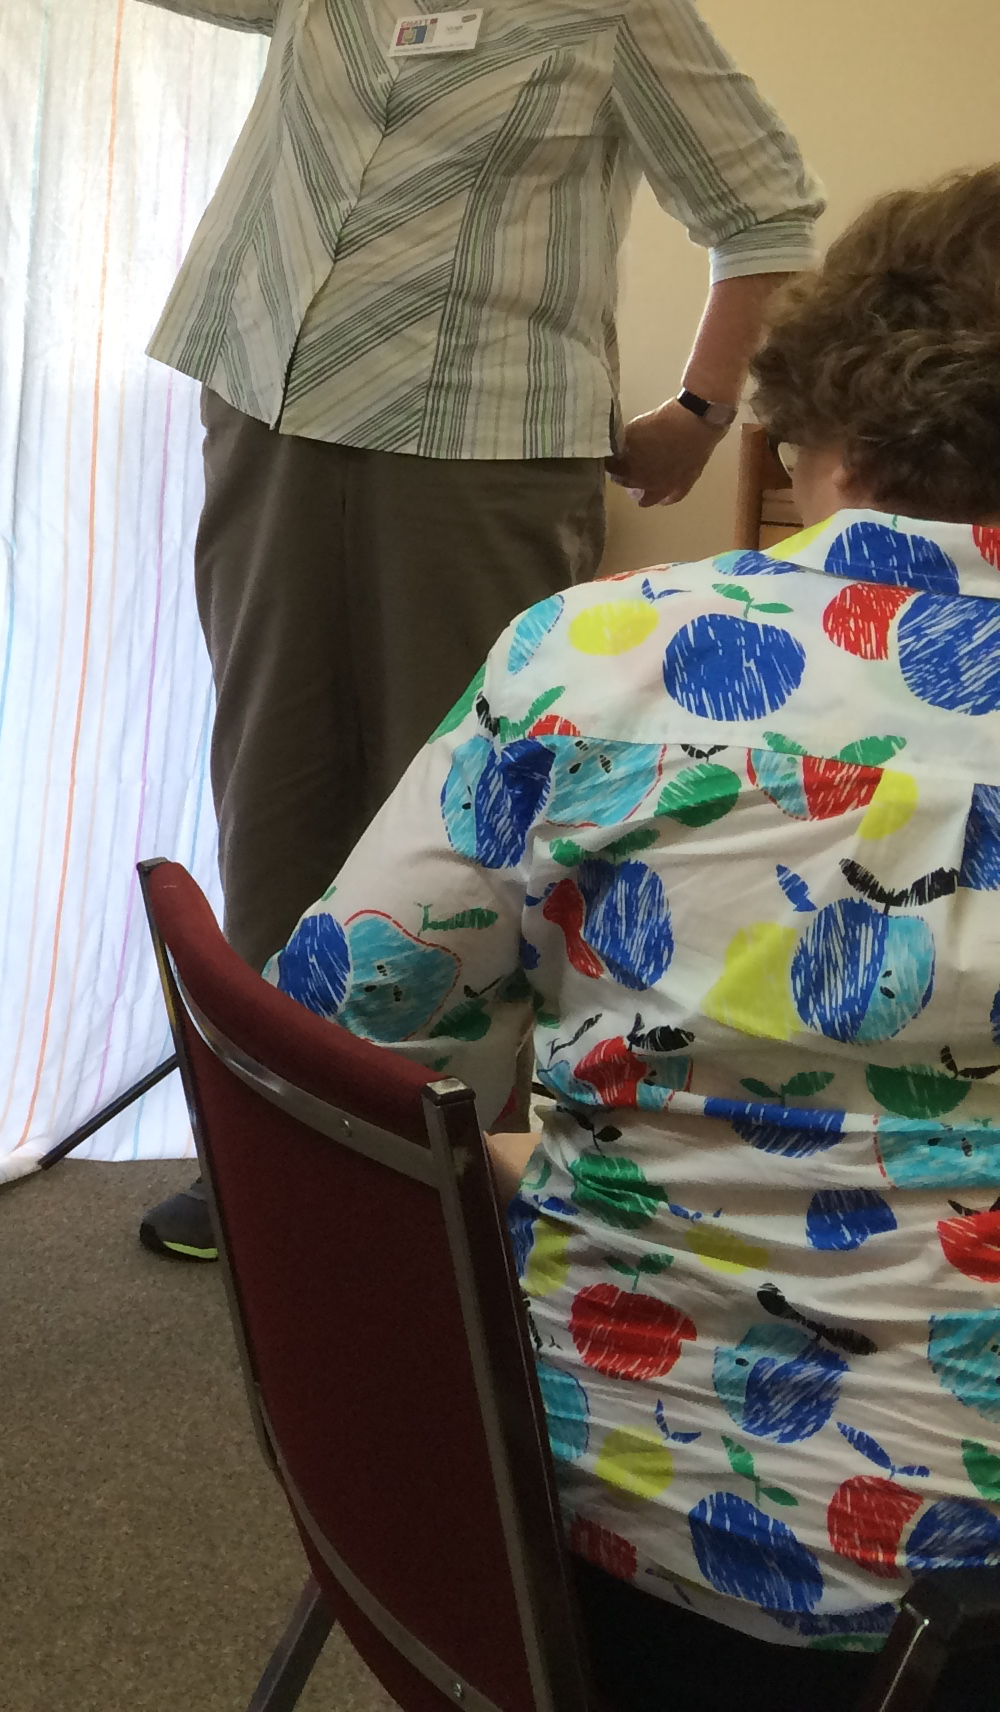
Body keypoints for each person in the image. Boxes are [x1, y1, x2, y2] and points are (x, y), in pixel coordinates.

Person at [0, 0, 826, 1261]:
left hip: (480, 462)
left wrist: (699, 416)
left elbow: (763, 215)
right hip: (273, 426)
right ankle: (281, 1160)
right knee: (275, 791)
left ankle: (445, 1177)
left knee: (464, 807)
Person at [268, 164, 1000, 1705]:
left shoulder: (600, 655)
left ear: (817, 427)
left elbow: (333, 1054)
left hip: (610, 1559)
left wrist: (583, 1147)